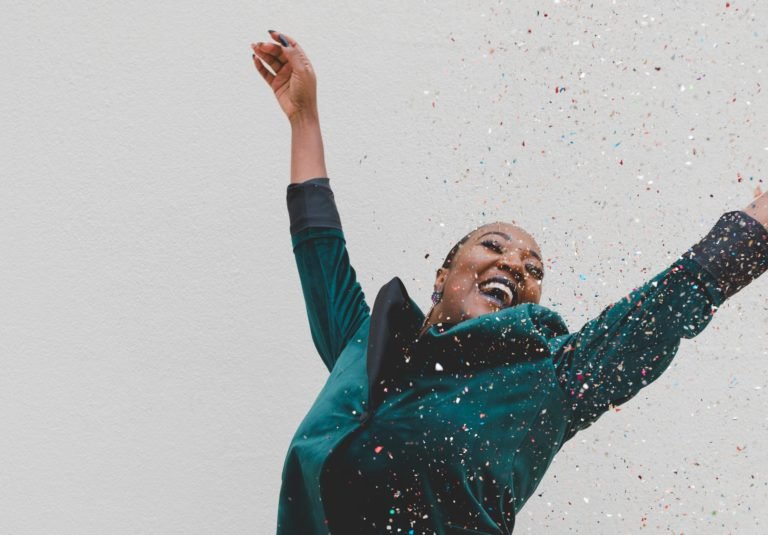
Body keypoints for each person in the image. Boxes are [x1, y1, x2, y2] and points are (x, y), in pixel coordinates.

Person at [252, 31, 768, 535]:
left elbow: (666, 307)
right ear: (443, 275)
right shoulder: (361, 345)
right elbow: (319, 242)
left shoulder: (548, 382)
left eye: (534, 269)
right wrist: (304, 117)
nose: (516, 265)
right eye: (494, 246)